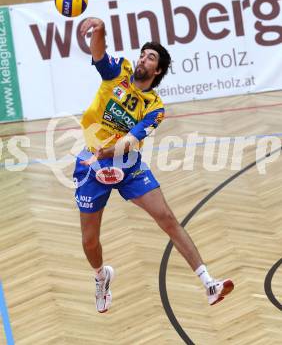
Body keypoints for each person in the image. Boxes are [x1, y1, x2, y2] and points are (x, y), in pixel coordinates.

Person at [73, 17, 234, 313]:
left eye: (151, 57)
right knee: (89, 240)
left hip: (127, 166)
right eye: (143, 53)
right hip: (91, 166)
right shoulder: (117, 73)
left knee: (167, 218)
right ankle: (101, 276)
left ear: (157, 70)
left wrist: (106, 152)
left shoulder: (155, 108)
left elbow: (130, 142)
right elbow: (98, 53)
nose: (143, 58)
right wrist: (99, 28)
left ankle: (209, 283)